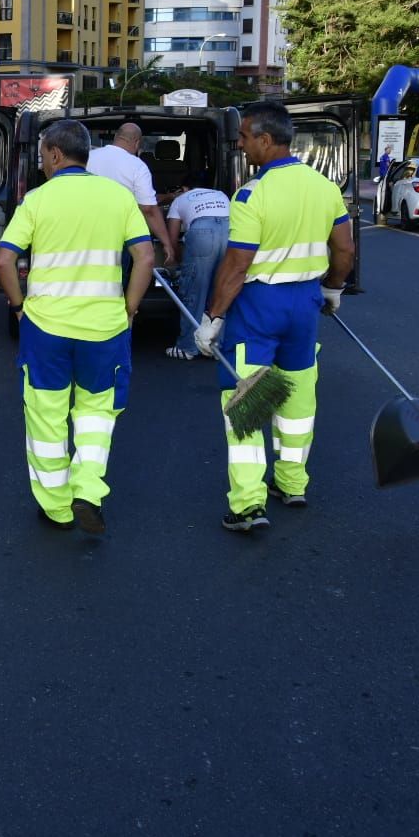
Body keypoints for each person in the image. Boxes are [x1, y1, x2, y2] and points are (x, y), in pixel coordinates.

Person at [193, 101, 355, 533]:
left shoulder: (252, 194)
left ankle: (247, 505)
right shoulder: (324, 186)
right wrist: (333, 289)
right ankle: (293, 482)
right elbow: (345, 250)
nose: (241, 145)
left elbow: (237, 265)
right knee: (299, 398)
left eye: (245, 137)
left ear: (266, 140)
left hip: (259, 308)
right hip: (304, 305)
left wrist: (212, 319)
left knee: (247, 401)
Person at [0, 118, 153, 537]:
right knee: (97, 414)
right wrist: (130, 309)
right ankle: (87, 488)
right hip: (104, 328)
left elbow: (5, 259)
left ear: (55, 154)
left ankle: (58, 507)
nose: (42, 161)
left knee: (47, 418)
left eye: (44, 153)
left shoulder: (37, 201)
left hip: (46, 328)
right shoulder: (118, 198)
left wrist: (18, 307)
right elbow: (145, 258)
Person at [86, 122, 178, 266]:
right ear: (137, 143)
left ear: (116, 137)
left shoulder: (87, 157)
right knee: (115, 280)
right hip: (117, 235)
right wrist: (166, 243)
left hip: (83, 230)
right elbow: (148, 209)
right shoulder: (137, 166)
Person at [163, 176, 230, 360]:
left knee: (194, 290)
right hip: (230, 229)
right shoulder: (220, 194)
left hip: (202, 232)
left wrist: (179, 263)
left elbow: (173, 237)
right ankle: (217, 347)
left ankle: (187, 347)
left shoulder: (180, 200)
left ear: (185, 188)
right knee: (222, 290)